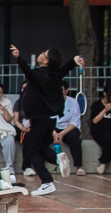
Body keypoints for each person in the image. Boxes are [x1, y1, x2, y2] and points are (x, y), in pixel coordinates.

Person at [9, 44, 81, 194]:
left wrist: (18, 58)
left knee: (31, 150)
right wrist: (74, 60)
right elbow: (66, 68)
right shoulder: (55, 74)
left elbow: (28, 72)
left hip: (40, 119)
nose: (41, 53)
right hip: (49, 119)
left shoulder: (40, 74)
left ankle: (47, 182)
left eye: (44, 53)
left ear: (46, 61)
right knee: (41, 148)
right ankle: (57, 160)